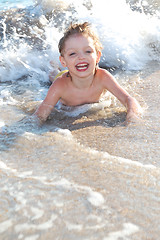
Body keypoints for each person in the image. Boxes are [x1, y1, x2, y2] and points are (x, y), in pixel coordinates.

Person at [34, 22, 142, 124]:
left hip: (72, 70)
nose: (81, 57)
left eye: (88, 51)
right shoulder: (60, 85)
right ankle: (55, 67)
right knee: (54, 75)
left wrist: (132, 116)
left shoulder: (103, 77)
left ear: (98, 56)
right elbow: (40, 114)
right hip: (64, 76)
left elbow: (128, 99)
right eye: (72, 53)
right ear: (63, 61)